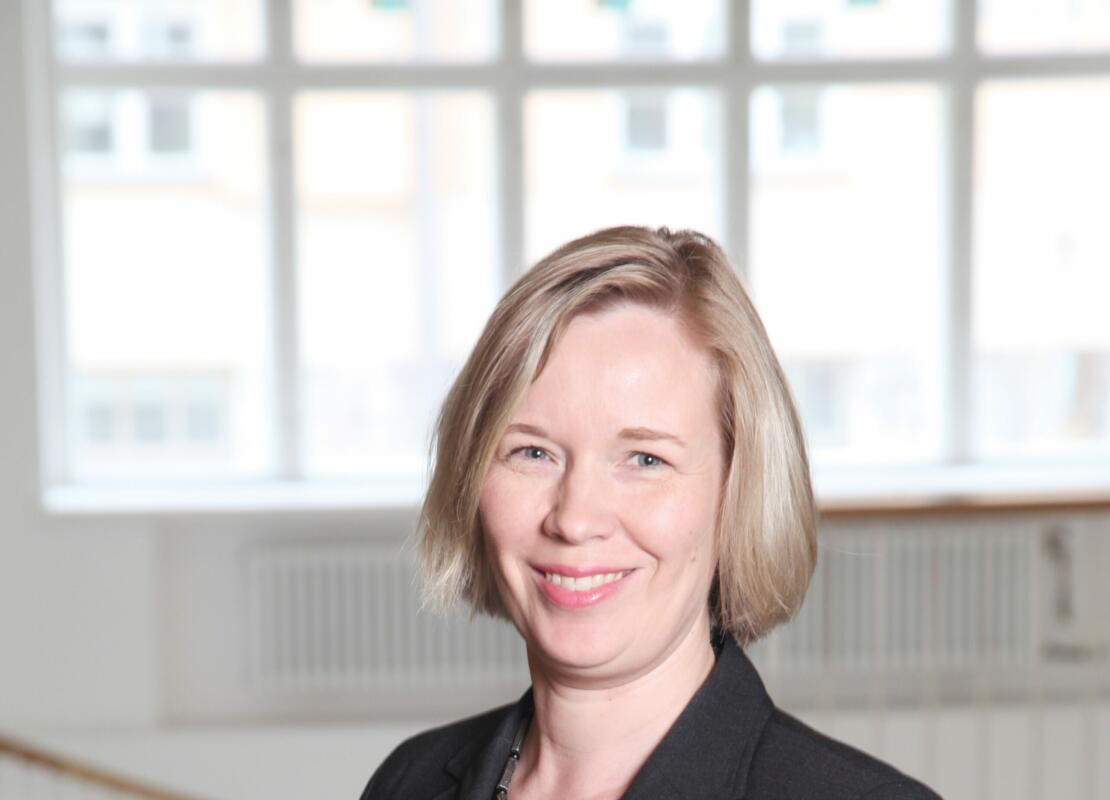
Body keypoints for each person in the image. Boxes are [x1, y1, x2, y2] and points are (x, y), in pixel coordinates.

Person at [360, 226, 940, 799]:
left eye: (645, 459)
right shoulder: (407, 782)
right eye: (532, 452)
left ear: (739, 490)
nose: (575, 519)